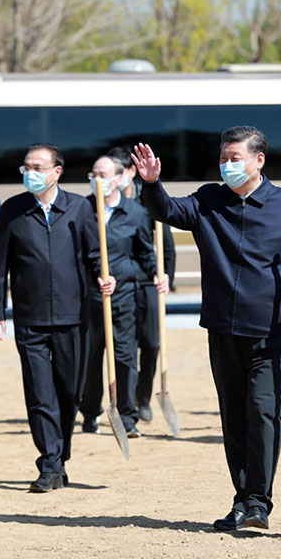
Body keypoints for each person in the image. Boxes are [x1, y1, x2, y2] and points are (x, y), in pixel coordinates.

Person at [131, 126, 281, 531]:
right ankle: (243, 500)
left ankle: (259, 500)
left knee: (263, 412)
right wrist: (152, 183)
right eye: (223, 158)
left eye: (235, 158)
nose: (227, 164)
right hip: (223, 328)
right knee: (234, 416)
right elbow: (166, 210)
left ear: (259, 161)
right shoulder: (208, 200)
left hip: (273, 330)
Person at [0, 143, 115, 492]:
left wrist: (105, 277)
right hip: (29, 318)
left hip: (74, 317)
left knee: (67, 393)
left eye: (38, 166)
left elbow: (94, 255)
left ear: (57, 171)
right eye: (26, 166)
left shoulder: (78, 209)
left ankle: (60, 457)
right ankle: (49, 463)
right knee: (39, 392)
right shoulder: (11, 211)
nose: (31, 172)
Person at [79, 155, 164, 439]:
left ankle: (127, 416)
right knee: (91, 357)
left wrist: (156, 274)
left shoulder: (136, 213)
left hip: (124, 296)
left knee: (125, 356)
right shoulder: (81, 210)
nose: (96, 179)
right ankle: (90, 412)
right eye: (93, 174)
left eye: (102, 174)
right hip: (89, 297)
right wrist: (95, 277)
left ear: (119, 179)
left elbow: (143, 255)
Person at [107, 147, 175, 422]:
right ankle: (121, 401)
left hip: (147, 280)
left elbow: (166, 244)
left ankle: (142, 396)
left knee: (151, 342)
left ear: (131, 172)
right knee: (121, 345)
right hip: (118, 282)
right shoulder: (103, 202)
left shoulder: (148, 200)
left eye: (121, 171)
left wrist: (165, 273)